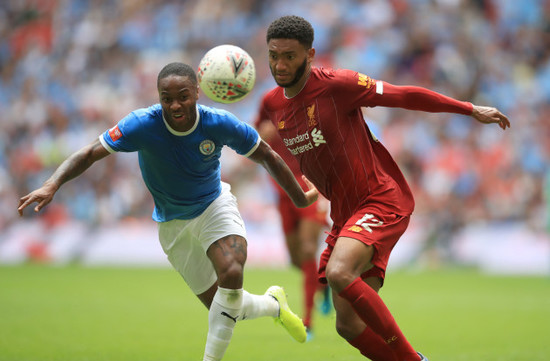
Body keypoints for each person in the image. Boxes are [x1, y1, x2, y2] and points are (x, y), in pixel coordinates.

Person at [17, 62, 318, 361]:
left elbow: (267, 154)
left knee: (232, 270)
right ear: (158, 96)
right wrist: (52, 183)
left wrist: (300, 198)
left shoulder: (219, 123)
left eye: (183, 96)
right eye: (166, 98)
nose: (175, 104)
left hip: (214, 206)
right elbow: (89, 153)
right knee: (228, 308)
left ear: (197, 92)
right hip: (173, 225)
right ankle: (274, 305)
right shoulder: (142, 124)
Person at [260, 15, 510, 361]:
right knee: (347, 325)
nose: (279, 64)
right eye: (273, 55)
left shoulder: (338, 85)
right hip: (345, 214)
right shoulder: (273, 104)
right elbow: (314, 153)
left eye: (289, 55)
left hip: (380, 200)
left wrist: (467, 109)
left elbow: (405, 95)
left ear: (310, 54)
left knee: (338, 272)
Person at [254, 112, 332, 337]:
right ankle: (324, 285)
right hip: (283, 195)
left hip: (310, 187)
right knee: (297, 260)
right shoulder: (268, 112)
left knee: (308, 250)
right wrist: (262, 137)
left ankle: (308, 323)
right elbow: (251, 148)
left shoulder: (311, 113)